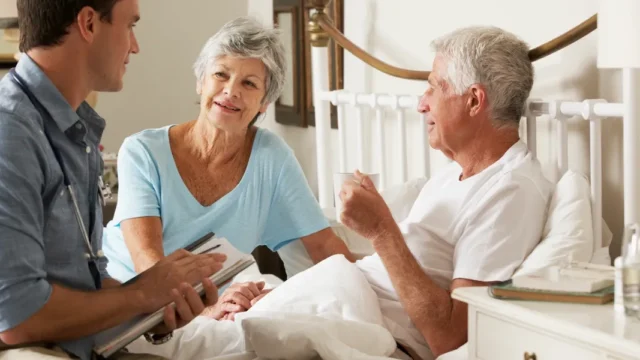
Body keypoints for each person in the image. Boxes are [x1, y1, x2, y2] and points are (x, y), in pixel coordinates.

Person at [0, 1, 225, 359]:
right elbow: (17, 315)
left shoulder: (74, 132)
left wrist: (155, 312)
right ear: (89, 23)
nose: (134, 46)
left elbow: (87, 283)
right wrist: (142, 294)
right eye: (130, 26)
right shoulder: (10, 131)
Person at [102, 16, 354, 320]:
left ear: (264, 102)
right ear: (200, 82)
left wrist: (368, 299)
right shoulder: (142, 152)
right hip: (133, 304)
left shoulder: (271, 158)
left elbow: (324, 245)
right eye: (221, 74)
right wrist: (208, 311)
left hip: (217, 309)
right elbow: (149, 265)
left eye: (249, 83)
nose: (231, 91)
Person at [338, 26, 554, 360]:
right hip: (335, 305)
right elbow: (382, 275)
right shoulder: (450, 176)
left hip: (365, 334)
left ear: (473, 100)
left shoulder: (510, 191)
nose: (421, 104)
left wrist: (381, 230)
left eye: (434, 88)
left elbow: (452, 339)